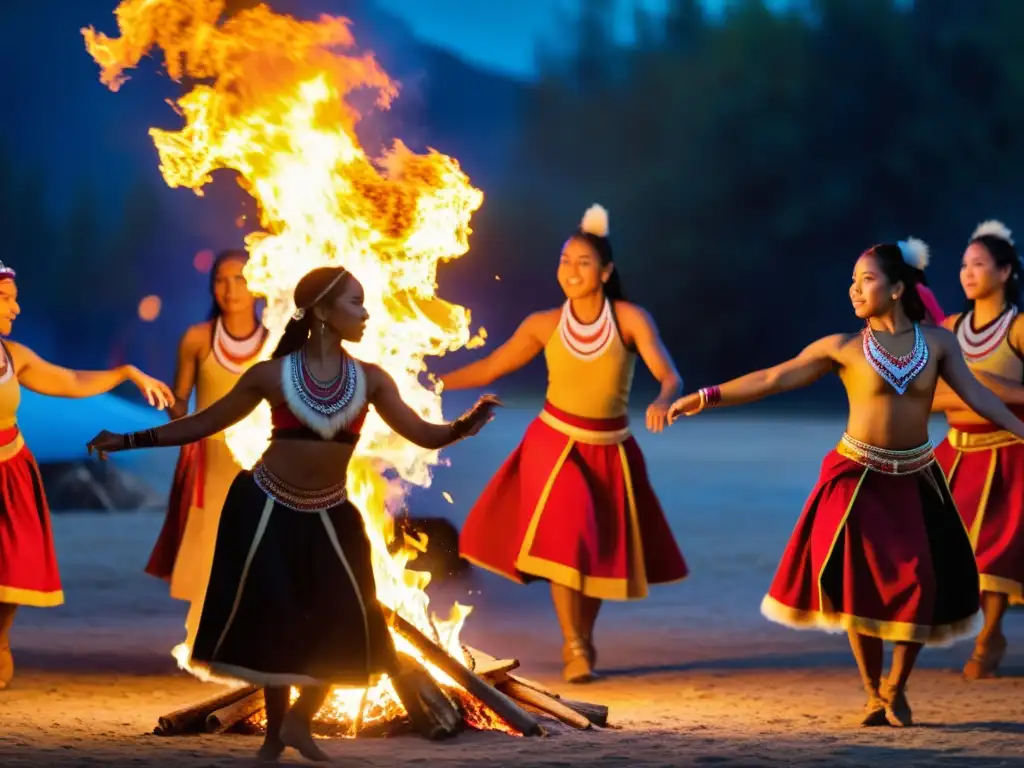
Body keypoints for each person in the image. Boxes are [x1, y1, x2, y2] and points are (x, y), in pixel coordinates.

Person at [87, 265, 499, 762]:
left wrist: (462, 427)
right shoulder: (271, 375)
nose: (366, 313)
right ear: (322, 312)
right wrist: (127, 439)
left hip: (331, 514)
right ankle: (275, 736)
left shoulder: (370, 380)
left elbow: (424, 434)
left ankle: (300, 722)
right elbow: (204, 422)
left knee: (350, 618)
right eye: (354, 302)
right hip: (265, 506)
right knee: (277, 623)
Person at [667, 237, 1024, 727]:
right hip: (855, 480)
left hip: (916, 478)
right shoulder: (843, 348)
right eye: (852, 282)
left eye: (867, 280)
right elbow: (773, 378)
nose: (855, 290)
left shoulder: (939, 343)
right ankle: (874, 691)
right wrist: (706, 396)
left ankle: (897, 685)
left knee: (919, 583)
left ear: (898, 288)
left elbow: (978, 396)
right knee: (859, 589)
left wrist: (1021, 429)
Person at [439, 204, 688, 684]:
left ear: (606, 271)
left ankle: (583, 639)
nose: (571, 271)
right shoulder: (544, 323)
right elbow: (492, 368)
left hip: (611, 447)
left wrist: (664, 399)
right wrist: (431, 380)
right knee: (568, 538)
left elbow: (668, 373)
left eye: (584, 262)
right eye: (565, 260)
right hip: (553, 445)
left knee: (593, 553)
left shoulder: (630, 318)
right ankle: (574, 645)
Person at [0, 261, 172, 690]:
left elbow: (71, 379)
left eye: (15, 298)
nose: (15, 308)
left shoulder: (12, 356)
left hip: (10, 469)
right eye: (6, 299)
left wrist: (126, 372)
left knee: (13, 567)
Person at [145, 249, 269, 653]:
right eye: (221, 279)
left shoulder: (276, 339)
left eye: (240, 279)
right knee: (210, 548)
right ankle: (204, 642)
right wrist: (167, 401)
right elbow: (182, 402)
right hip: (211, 458)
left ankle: (257, 642)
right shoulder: (198, 338)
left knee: (260, 547)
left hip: (262, 461)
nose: (230, 289)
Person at [932, 220, 1024, 680]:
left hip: (1008, 454)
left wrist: (985, 386)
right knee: (941, 546)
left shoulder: (1020, 328)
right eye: (964, 265)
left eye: (980, 265)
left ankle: (991, 634)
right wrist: (979, 391)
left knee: (994, 552)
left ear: (1005, 272)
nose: (967, 273)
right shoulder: (950, 328)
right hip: (956, 452)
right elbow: (928, 395)